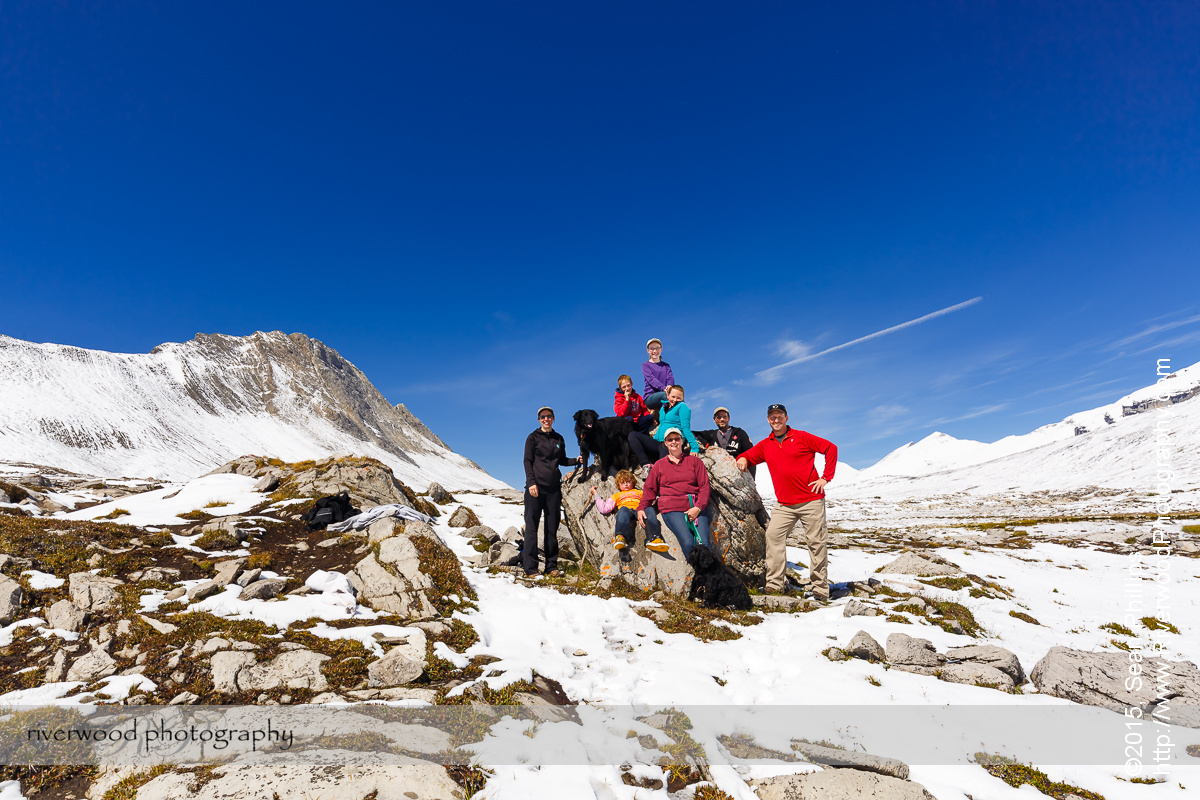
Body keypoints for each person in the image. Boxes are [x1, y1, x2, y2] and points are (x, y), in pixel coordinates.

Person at [736, 404, 837, 600]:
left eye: (779, 416)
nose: (776, 420)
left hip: (811, 501)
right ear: (768, 420)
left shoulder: (802, 437)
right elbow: (749, 455)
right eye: (772, 417)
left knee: (816, 543)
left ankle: (820, 589)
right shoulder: (766, 445)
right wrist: (742, 458)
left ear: (786, 418)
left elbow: (830, 448)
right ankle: (775, 584)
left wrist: (825, 478)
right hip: (785, 505)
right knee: (773, 537)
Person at [637, 427, 712, 560]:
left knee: (704, 544)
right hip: (672, 508)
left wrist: (698, 508)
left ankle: (710, 579)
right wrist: (641, 507)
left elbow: (704, 487)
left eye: (677, 439)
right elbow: (650, 490)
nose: (674, 442)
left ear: (682, 441)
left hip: (695, 505)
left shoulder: (695, 462)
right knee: (688, 542)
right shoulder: (659, 465)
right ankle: (700, 575)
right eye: (670, 440)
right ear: (665, 443)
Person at [522, 406, 578, 577]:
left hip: (554, 489)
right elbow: (527, 460)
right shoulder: (533, 438)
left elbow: (561, 460)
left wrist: (576, 460)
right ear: (539, 420)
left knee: (552, 528)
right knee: (532, 527)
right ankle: (531, 568)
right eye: (542, 417)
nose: (546, 419)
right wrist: (531, 483)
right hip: (535, 489)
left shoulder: (558, 438)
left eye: (549, 416)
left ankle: (551, 566)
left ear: (553, 418)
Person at [590, 469, 660, 562]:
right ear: (618, 485)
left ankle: (654, 537)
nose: (626, 484)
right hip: (626, 511)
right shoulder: (617, 495)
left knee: (650, 509)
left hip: (640, 510)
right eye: (622, 483)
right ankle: (621, 537)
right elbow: (604, 509)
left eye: (628, 481)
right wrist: (596, 494)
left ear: (633, 482)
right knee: (622, 509)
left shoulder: (639, 492)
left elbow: (650, 500)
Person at [628, 385, 700, 466]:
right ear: (668, 395)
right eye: (673, 397)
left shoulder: (683, 407)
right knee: (633, 435)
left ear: (683, 398)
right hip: (657, 442)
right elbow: (662, 425)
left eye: (678, 398)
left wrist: (694, 448)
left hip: (671, 443)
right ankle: (646, 465)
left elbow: (686, 428)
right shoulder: (663, 407)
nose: (675, 400)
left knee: (662, 467)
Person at [695, 407, 756, 476]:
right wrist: (706, 445)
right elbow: (692, 433)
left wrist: (751, 479)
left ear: (729, 418)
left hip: (740, 476)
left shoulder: (739, 433)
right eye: (719, 417)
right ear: (714, 419)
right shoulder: (711, 434)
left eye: (724, 417)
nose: (722, 419)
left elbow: (751, 453)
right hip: (719, 476)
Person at [641, 338, 675, 413]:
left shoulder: (666, 366)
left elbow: (670, 378)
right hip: (650, 397)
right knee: (667, 396)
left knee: (677, 396)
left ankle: (683, 422)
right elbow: (652, 380)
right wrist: (664, 388)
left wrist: (670, 386)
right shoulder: (645, 365)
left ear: (661, 349)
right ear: (648, 351)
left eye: (657, 348)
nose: (655, 351)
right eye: (652, 349)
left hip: (665, 392)